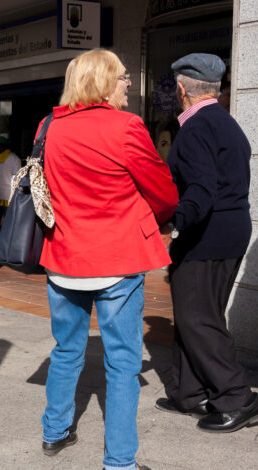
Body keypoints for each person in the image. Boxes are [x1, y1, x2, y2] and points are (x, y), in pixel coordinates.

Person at [37, 49, 178, 470]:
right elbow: (164, 191)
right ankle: (119, 461)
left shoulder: (48, 125)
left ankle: (54, 431)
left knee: (65, 351)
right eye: (122, 78)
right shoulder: (125, 126)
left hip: (63, 255)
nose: (128, 84)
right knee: (123, 364)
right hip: (116, 256)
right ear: (102, 82)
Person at [155, 53, 258, 433]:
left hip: (207, 234)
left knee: (198, 318)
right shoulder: (227, 123)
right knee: (194, 313)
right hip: (228, 231)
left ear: (182, 89)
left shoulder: (196, 128)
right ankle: (190, 392)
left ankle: (237, 396)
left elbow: (200, 191)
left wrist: (174, 226)